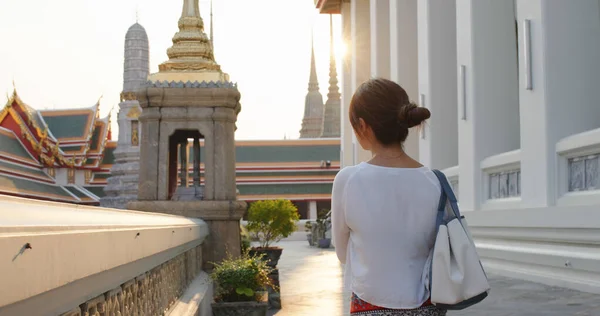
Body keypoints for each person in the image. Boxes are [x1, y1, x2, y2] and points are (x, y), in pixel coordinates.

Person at [332, 78, 446, 316]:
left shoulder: (348, 180)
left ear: (362, 126)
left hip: (369, 305)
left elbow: (343, 254)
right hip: (425, 306)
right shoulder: (434, 181)